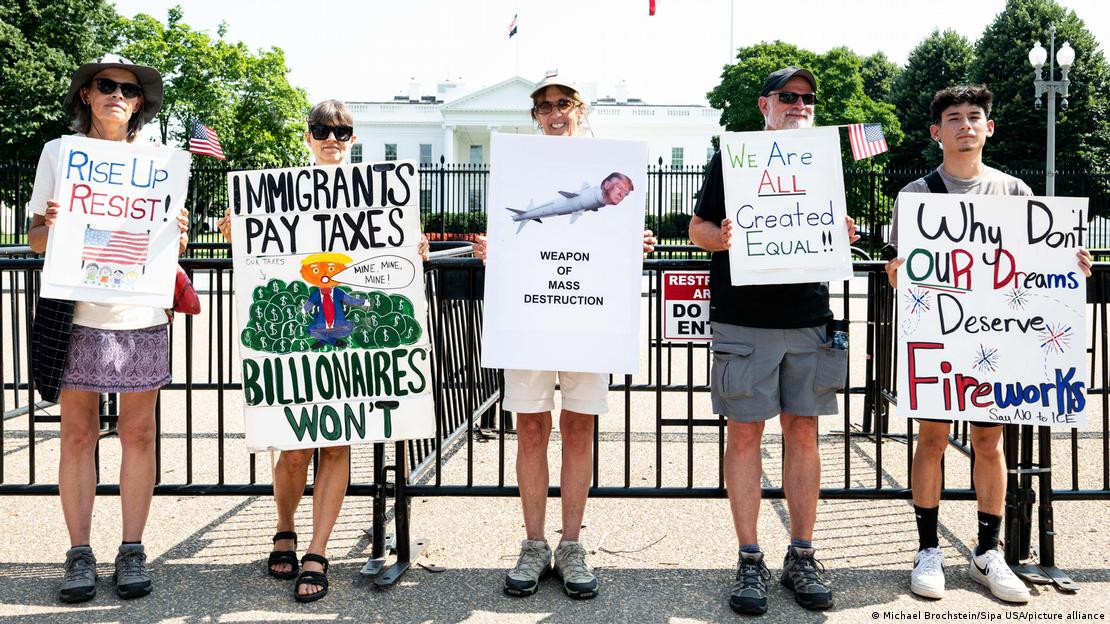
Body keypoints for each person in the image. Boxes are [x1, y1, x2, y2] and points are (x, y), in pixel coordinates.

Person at [884, 85, 1092, 603]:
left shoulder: (1015, 193)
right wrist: (895, 275)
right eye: (953, 118)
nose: (965, 126)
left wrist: (1072, 266)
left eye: (974, 117)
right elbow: (902, 275)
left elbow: (1039, 270)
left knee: (988, 443)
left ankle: (987, 551)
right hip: (939, 341)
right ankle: (927, 548)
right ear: (937, 132)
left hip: (995, 345)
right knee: (930, 441)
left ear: (989, 127)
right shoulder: (916, 197)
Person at [216, 99, 429, 602]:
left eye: (342, 131)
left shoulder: (377, 198)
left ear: (353, 139)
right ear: (307, 136)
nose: (332, 138)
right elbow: (264, 263)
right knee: (293, 449)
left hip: (350, 331)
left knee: (336, 444)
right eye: (321, 130)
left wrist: (411, 247)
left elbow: (387, 261)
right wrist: (237, 234)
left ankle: (318, 550)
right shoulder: (275, 195)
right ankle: (285, 527)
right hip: (298, 329)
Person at [474, 74, 656, 600]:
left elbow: (609, 239)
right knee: (530, 428)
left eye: (564, 103)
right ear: (535, 116)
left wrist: (632, 243)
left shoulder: (612, 166)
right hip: (530, 313)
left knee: (579, 429)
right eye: (545, 106)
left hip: (589, 317)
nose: (555, 113)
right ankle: (533, 544)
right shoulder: (518, 166)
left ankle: (571, 544)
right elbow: (509, 239)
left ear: (580, 108)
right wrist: (496, 250)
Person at [688, 66, 859, 615]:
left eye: (807, 98)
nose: (799, 104)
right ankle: (748, 556)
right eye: (788, 96)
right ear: (765, 105)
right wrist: (723, 236)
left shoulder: (825, 162)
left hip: (808, 317)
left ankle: (802, 554)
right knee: (744, 437)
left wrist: (843, 230)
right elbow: (697, 230)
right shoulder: (732, 159)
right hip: (743, 321)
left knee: (803, 435)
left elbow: (831, 228)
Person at [27, 54, 190, 603]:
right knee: (76, 436)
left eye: (128, 88)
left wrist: (177, 236)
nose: (117, 94)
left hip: (139, 314)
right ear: (87, 96)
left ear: (139, 102)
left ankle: (131, 548)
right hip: (77, 314)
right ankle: (78, 553)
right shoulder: (60, 154)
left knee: (138, 433)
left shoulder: (160, 161)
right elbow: (34, 242)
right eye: (105, 86)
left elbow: (165, 248)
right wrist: (48, 224)